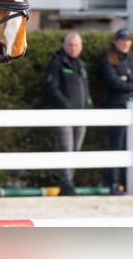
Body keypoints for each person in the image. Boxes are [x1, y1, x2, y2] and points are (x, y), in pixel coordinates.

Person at [99, 28, 133, 195]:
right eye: (123, 40)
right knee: (117, 146)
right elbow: (114, 82)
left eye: (128, 40)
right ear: (116, 41)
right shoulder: (108, 59)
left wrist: (130, 79)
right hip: (118, 107)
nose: (126, 43)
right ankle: (114, 183)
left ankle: (129, 183)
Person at [43, 32, 92, 196]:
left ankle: (69, 182)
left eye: (76, 45)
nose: (73, 48)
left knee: (76, 149)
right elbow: (52, 88)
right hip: (64, 114)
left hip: (82, 115)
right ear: (65, 46)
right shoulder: (57, 63)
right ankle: (66, 184)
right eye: (70, 45)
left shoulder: (81, 65)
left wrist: (89, 108)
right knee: (67, 148)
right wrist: (66, 106)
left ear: (81, 47)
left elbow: (86, 91)